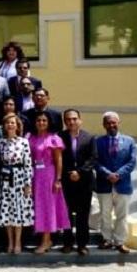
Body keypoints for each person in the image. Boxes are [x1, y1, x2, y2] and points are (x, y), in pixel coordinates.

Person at [93, 111, 137, 253]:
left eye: (114, 122)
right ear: (104, 125)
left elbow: (132, 161)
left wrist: (118, 174)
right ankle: (107, 240)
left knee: (122, 215)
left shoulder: (129, 141)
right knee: (105, 214)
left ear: (118, 123)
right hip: (104, 183)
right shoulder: (97, 142)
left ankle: (120, 241)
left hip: (123, 184)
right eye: (108, 122)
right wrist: (107, 174)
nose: (111, 125)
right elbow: (95, 161)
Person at [29, 113, 70, 253]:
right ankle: (45, 238)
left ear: (49, 122)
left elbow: (59, 160)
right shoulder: (31, 138)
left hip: (49, 175)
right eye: (38, 120)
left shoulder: (54, 138)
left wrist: (58, 179)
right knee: (38, 206)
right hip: (35, 175)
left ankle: (46, 241)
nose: (41, 122)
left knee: (47, 207)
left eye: (44, 120)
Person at [0, 114, 34, 254]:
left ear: (17, 126)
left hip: (19, 180)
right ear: (4, 126)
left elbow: (28, 164)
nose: (10, 125)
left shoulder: (23, 142)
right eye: (8, 123)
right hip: (5, 180)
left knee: (18, 212)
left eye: (13, 123)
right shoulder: (1, 142)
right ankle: (10, 242)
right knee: (7, 212)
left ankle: (18, 242)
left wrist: (27, 183)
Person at [59, 108, 94, 255]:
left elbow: (93, 158)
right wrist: (69, 173)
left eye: (74, 119)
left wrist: (79, 172)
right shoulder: (59, 137)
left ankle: (82, 244)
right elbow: (58, 159)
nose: (71, 122)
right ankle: (67, 243)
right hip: (66, 182)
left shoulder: (90, 137)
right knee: (66, 214)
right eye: (68, 119)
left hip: (84, 182)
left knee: (82, 215)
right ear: (65, 121)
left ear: (80, 120)